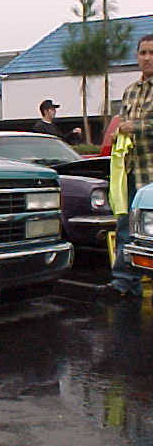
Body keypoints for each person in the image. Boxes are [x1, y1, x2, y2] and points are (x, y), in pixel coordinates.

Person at [99, 33, 153, 301]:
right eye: (143, 53)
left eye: (152, 53)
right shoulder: (130, 90)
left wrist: (137, 127)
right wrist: (120, 130)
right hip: (130, 172)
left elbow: (138, 126)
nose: (147, 58)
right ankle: (123, 284)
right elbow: (123, 123)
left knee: (149, 232)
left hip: (151, 176)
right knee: (125, 227)